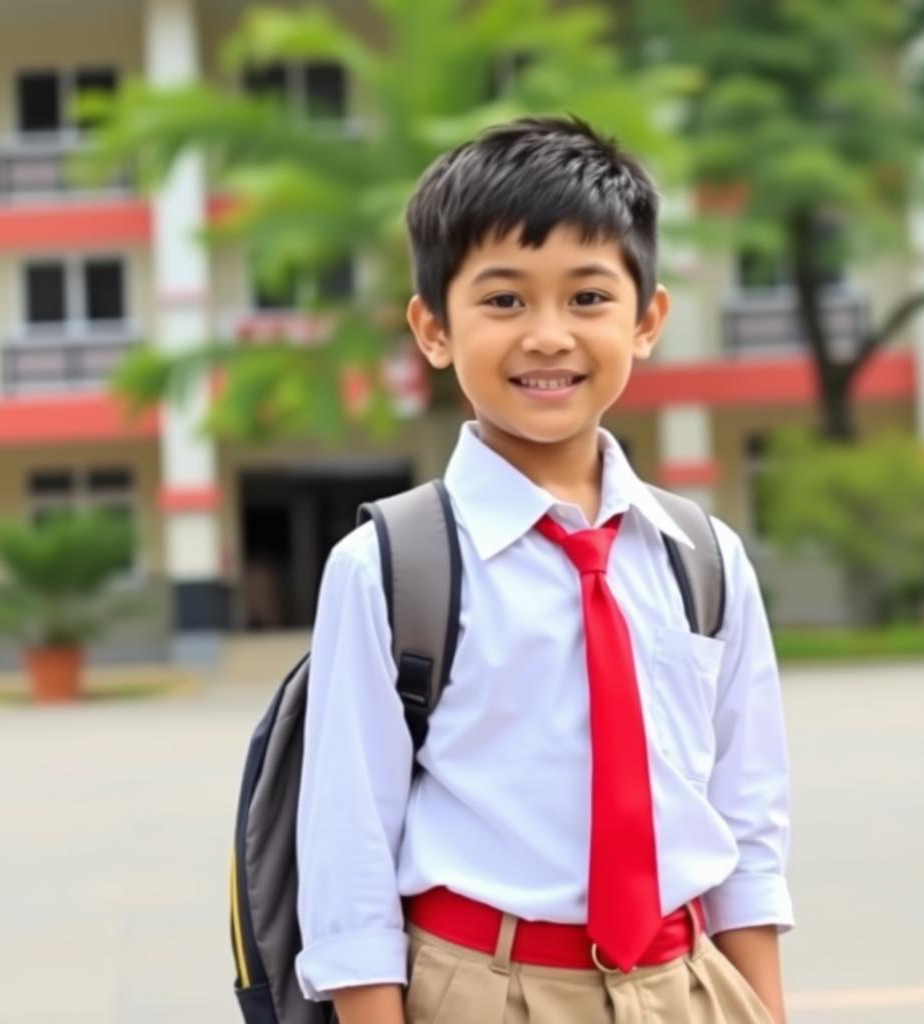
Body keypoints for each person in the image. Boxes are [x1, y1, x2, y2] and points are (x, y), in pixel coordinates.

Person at [295, 116, 793, 1024]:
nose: (549, 335)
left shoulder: (706, 561)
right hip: (483, 986)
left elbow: (749, 833)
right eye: (504, 301)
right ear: (433, 328)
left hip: (687, 986)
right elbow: (347, 854)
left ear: (647, 321)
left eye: (589, 298)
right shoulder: (391, 567)